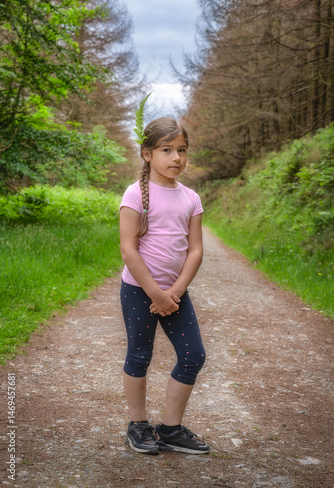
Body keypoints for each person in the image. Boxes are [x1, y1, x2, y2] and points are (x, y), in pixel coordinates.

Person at [119, 117, 210, 455]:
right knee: (139, 355)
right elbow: (128, 249)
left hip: (176, 294)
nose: (176, 158)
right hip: (139, 290)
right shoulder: (134, 194)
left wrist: (174, 292)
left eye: (182, 150)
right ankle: (138, 425)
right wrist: (155, 292)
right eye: (167, 150)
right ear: (147, 154)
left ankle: (170, 429)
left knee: (193, 355)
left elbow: (196, 250)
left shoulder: (191, 198)